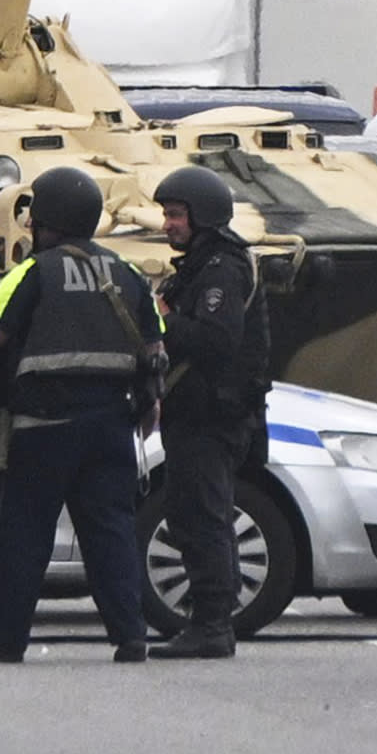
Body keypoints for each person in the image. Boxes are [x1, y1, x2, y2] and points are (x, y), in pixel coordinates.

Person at [0, 167, 161, 665]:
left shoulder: (33, 272)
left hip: (41, 432)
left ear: (44, 218)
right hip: (112, 428)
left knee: (23, 538)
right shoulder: (128, 273)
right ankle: (130, 637)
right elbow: (155, 346)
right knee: (111, 534)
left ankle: (1, 641)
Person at [148, 167, 270, 661]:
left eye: (176, 215)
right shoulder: (200, 267)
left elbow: (216, 342)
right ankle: (207, 620)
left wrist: (162, 319)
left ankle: (213, 624)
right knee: (191, 514)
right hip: (195, 414)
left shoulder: (222, 269)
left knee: (204, 517)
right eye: (166, 214)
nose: (167, 225)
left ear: (204, 217)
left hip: (211, 416)